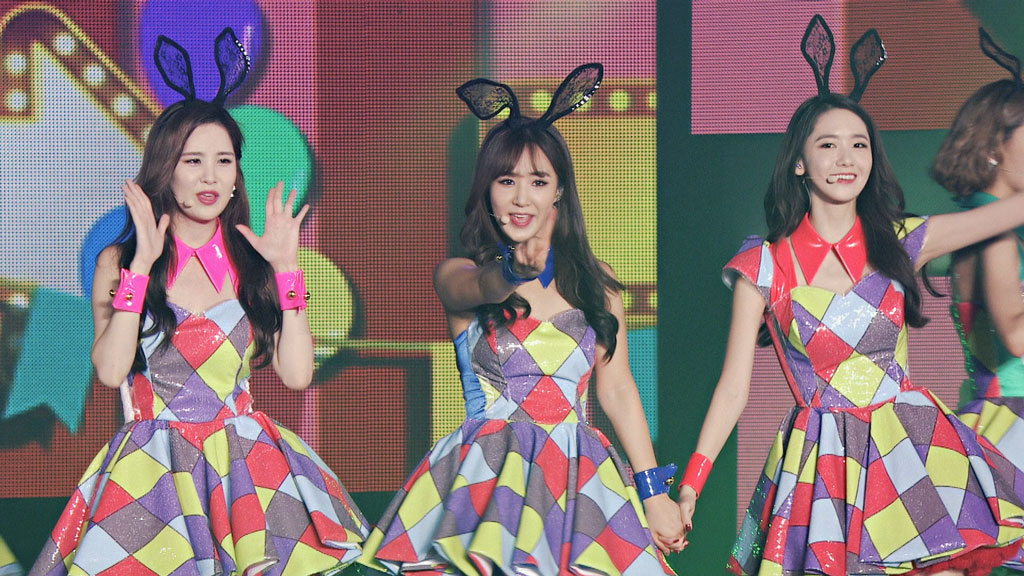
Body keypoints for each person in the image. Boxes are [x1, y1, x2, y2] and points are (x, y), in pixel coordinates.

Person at [677, 16, 1024, 576]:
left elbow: (1010, 210)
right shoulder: (762, 266)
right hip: (823, 462)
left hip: (909, 446)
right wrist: (692, 485)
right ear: (799, 162)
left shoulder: (905, 239)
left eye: (859, 144)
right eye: (829, 145)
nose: (846, 158)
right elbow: (733, 389)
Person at [29, 30, 367, 576]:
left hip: (243, 465)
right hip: (153, 467)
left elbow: (297, 375)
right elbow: (112, 371)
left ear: (236, 175)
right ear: (167, 168)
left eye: (224, 161)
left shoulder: (254, 263)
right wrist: (141, 269)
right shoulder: (120, 262)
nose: (210, 176)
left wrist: (287, 272)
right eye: (193, 161)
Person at [358, 64, 683, 575]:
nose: (521, 196)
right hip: (485, 481)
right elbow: (482, 288)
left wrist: (653, 492)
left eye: (538, 181)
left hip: (578, 482)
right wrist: (513, 270)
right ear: (487, 190)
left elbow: (618, 389)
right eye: (506, 180)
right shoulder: (459, 274)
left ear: (559, 191)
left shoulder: (598, 283)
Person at [931, 28, 1024, 575]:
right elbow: (1014, 334)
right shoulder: (995, 230)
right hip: (1011, 422)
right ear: (994, 147)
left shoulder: (980, 220)